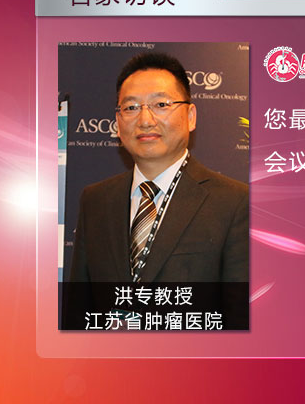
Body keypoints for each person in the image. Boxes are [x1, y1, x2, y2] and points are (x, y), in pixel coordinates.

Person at [68, 52, 249, 286]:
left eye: (161, 105)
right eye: (131, 107)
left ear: (190, 117)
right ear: (118, 123)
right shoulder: (95, 201)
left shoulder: (235, 203)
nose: (145, 120)